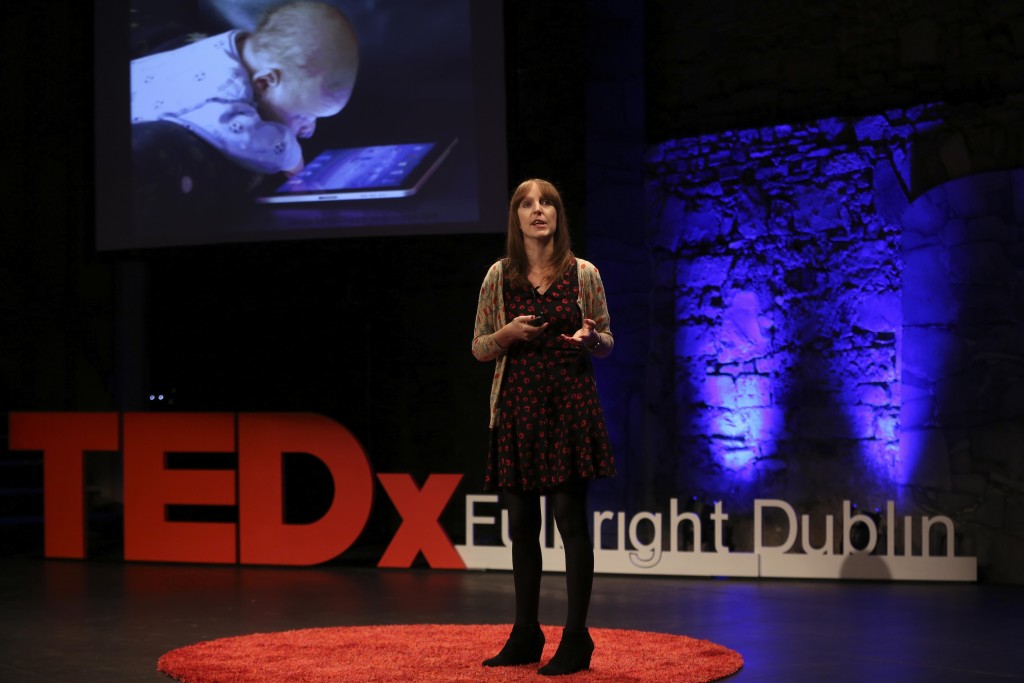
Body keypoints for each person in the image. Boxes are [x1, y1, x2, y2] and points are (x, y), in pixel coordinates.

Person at [471, 179, 616, 676]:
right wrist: (506, 334)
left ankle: (576, 639)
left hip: (567, 410)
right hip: (516, 411)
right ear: (516, 218)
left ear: (558, 214)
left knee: (571, 525)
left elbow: (606, 339)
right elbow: (478, 347)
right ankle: (526, 634)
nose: (538, 211)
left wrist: (592, 338)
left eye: (547, 203)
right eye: (527, 205)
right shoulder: (499, 276)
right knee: (521, 529)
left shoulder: (583, 274)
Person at [130, 1, 359, 177]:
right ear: (264, 82)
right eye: (302, 116)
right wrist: (292, 156)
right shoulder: (224, 92)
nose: (309, 129)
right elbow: (241, 138)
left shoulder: (236, 45)